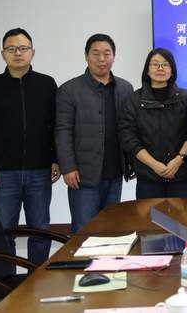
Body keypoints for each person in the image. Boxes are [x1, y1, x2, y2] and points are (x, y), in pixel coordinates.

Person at [0, 28, 58, 265]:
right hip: (4, 173)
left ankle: (36, 276)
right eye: (11, 49)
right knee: (4, 230)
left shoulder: (47, 84)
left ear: (33, 52)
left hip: (40, 170)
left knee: (40, 229)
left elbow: (56, 126)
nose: (18, 53)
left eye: (23, 48)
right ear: (3, 54)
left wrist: (56, 159)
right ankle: (6, 279)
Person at [56, 34, 133, 233]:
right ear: (86, 56)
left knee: (111, 230)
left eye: (107, 53)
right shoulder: (69, 90)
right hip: (83, 176)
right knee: (83, 231)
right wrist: (68, 167)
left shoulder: (125, 88)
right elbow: (63, 130)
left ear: (114, 57)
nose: (101, 59)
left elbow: (130, 128)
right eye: (96, 53)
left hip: (115, 172)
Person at [118, 48, 187, 199]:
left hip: (180, 175)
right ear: (147, 70)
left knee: (180, 215)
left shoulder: (185, 98)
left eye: (165, 64)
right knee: (149, 215)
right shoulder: (134, 100)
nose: (160, 68)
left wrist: (178, 160)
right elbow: (128, 137)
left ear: (172, 71)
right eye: (155, 64)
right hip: (148, 177)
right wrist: (154, 164)